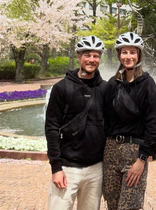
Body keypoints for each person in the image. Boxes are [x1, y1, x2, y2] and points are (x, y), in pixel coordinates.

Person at [45, 35, 108, 210]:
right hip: (67, 168)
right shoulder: (62, 88)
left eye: (96, 56)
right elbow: (51, 128)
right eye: (87, 55)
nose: (91, 59)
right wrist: (56, 167)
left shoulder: (104, 88)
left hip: (95, 168)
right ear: (79, 57)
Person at [102, 32, 156, 210]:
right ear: (119, 55)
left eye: (132, 52)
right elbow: (104, 121)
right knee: (112, 206)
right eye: (124, 52)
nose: (128, 56)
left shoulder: (147, 83)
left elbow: (154, 125)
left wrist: (142, 159)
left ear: (139, 55)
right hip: (111, 151)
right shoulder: (112, 84)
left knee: (129, 206)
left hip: (134, 152)